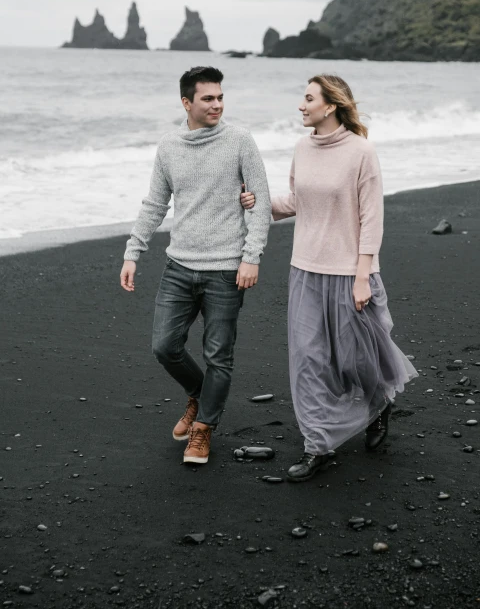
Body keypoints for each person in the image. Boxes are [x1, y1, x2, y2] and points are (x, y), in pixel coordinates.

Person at [241, 74, 417, 482]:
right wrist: (259, 202)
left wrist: (361, 276)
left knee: (358, 359)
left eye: (308, 99)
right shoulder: (302, 148)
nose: (301, 106)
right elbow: (300, 201)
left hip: (350, 272)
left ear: (331, 105)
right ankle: (317, 446)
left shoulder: (361, 152)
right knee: (309, 361)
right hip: (305, 269)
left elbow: (372, 220)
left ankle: (378, 405)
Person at [120, 66, 271, 466]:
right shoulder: (169, 146)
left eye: (221, 97)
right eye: (208, 98)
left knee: (219, 355)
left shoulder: (240, 141)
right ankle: (202, 394)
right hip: (179, 267)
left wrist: (251, 256)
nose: (217, 104)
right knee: (164, 347)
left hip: (226, 270)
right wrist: (133, 251)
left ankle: (203, 429)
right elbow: (155, 203)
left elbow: (261, 202)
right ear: (186, 103)